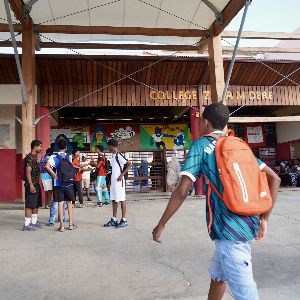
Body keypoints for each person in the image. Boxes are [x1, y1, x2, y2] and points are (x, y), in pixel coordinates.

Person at [152, 103, 281, 300]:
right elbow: (275, 179)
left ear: (205, 122)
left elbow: (182, 190)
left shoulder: (201, 146)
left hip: (229, 233)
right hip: (248, 223)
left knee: (246, 296)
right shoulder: (239, 145)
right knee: (218, 277)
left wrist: (161, 224)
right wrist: (265, 219)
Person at [46, 139, 77, 232]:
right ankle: (71, 224)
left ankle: (62, 226)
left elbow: (47, 166)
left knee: (60, 203)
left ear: (57, 147)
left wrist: (54, 175)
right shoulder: (69, 157)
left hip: (58, 184)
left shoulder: (53, 157)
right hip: (68, 183)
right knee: (69, 203)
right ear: (66, 147)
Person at [104, 139, 132, 228]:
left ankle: (124, 220)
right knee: (114, 199)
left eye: (108, 146)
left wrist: (121, 175)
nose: (108, 147)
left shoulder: (119, 155)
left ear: (112, 146)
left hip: (119, 181)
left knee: (122, 199)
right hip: (114, 181)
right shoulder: (113, 156)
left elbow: (130, 164)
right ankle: (114, 219)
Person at [23, 140, 43, 231]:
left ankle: (34, 222)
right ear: (35, 147)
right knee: (30, 204)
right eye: (40, 146)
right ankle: (27, 225)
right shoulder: (30, 157)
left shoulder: (35, 157)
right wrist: (31, 185)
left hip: (36, 184)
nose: (41, 148)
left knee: (36, 204)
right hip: (31, 185)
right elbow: (28, 173)